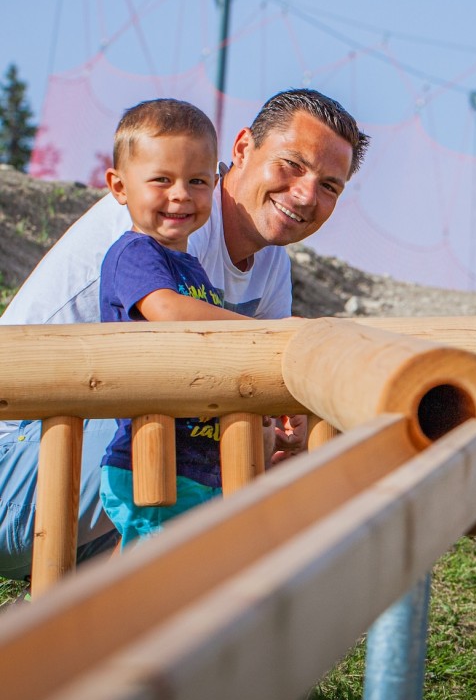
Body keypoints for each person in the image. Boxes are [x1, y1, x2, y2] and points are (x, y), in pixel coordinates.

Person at [0, 88, 369, 577]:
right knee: (201, 420)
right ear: (241, 150)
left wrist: (288, 426)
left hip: (100, 484)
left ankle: (105, 603)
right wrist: (283, 340)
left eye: (329, 185)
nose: (305, 195)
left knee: (274, 445)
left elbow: (268, 382)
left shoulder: (271, 264)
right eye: (291, 165)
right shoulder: (159, 220)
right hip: (19, 464)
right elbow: (178, 323)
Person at [98, 99, 257, 544]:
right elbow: (167, 312)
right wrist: (260, 332)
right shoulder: (134, 253)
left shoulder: (191, 267)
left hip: (197, 460)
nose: (181, 194)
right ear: (119, 186)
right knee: (157, 586)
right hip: (152, 458)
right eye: (161, 180)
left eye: (198, 181)